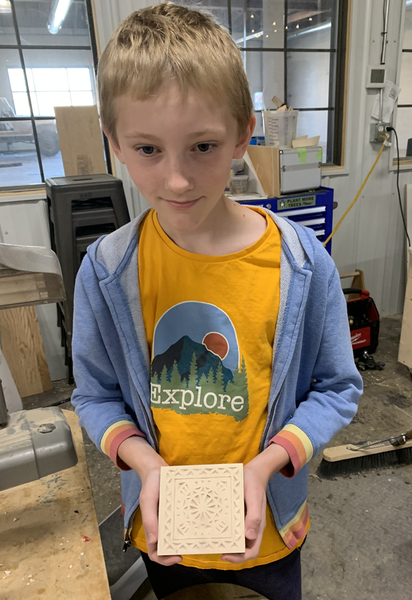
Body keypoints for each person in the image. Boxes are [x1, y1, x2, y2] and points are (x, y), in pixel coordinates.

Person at [71, 4, 363, 599]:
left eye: (202, 146)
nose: (177, 180)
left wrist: (268, 464)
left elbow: (337, 387)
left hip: (267, 533)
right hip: (164, 534)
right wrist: (144, 462)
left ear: (242, 133)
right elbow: (95, 395)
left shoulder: (301, 264)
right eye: (148, 149)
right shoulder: (105, 271)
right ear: (114, 142)